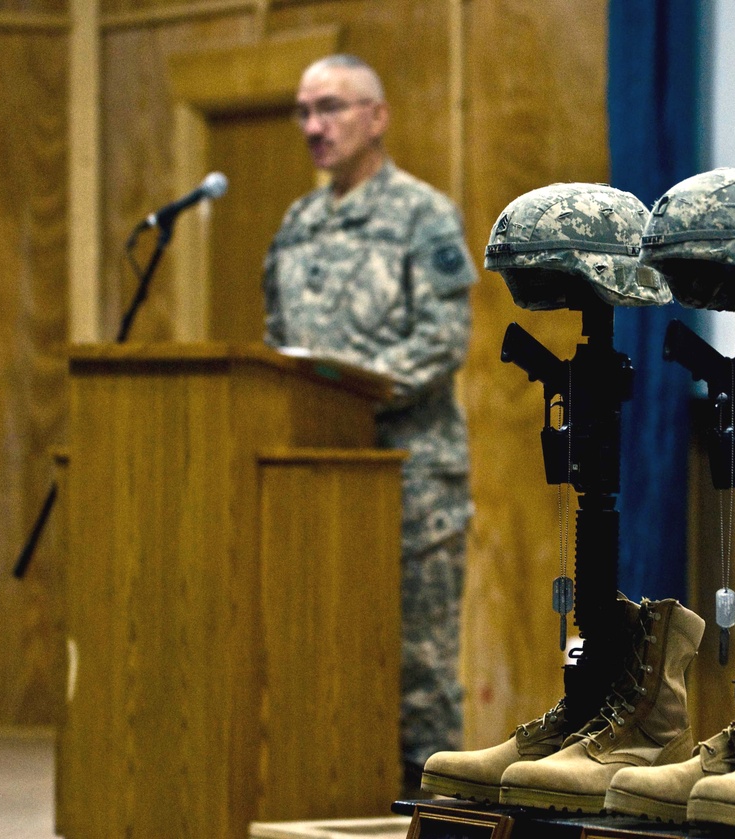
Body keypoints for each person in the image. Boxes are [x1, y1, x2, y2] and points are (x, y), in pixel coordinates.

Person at [262, 54, 476, 795]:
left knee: (417, 663)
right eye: (303, 111)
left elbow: (443, 340)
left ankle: (427, 804)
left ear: (376, 116)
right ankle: (336, 788)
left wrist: (350, 395)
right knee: (323, 639)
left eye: (331, 107)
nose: (314, 127)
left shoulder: (423, 215)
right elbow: (277, 344)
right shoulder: (297, 224)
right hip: (319, 471)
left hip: (413, 470)